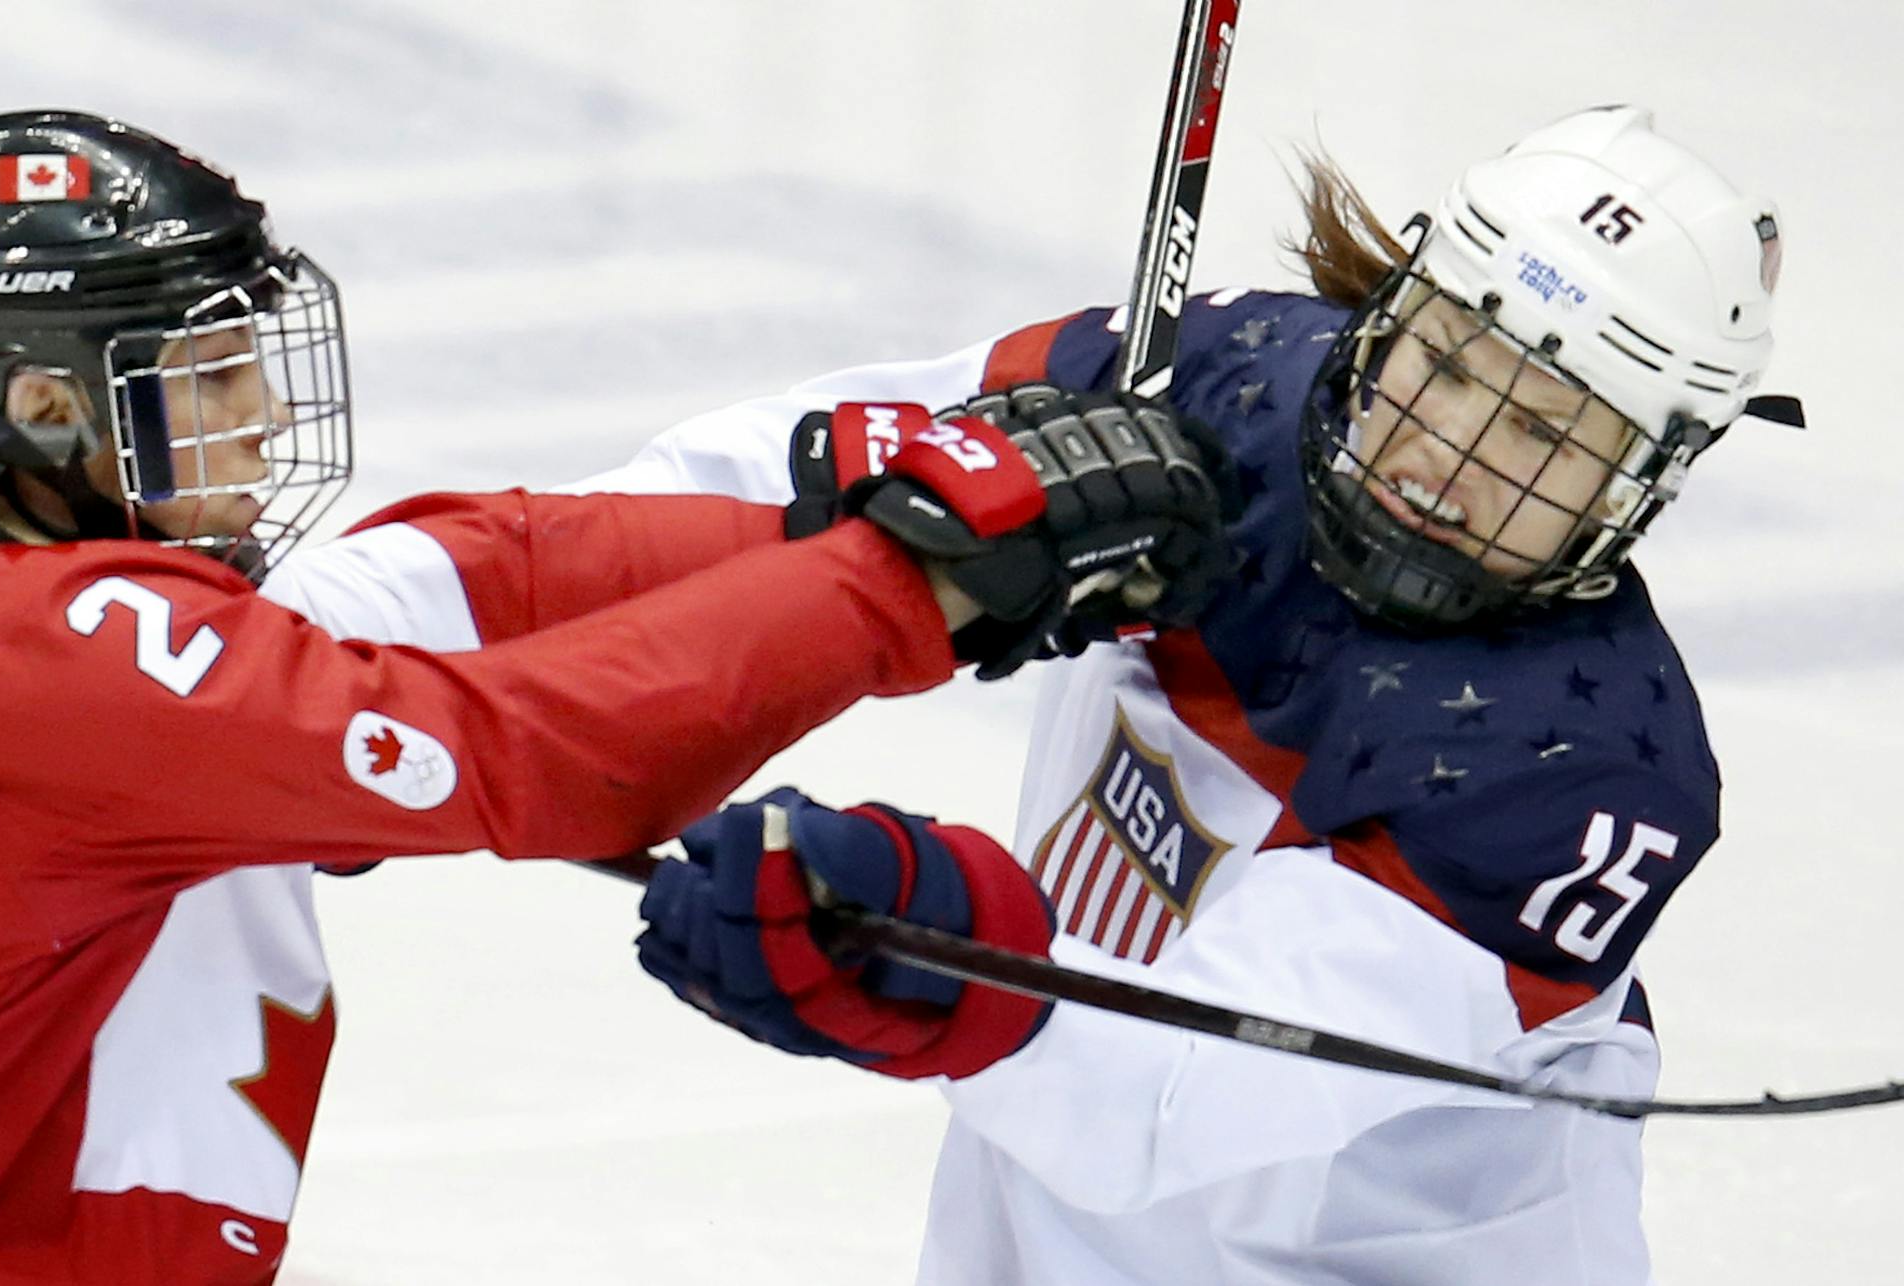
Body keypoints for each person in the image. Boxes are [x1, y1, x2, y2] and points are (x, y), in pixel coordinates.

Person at [0, 110, 1231, 1282]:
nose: (257, 413)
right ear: (46, 403)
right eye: (200, 372)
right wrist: (913, 579)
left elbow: (467, 582)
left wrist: (814, 515)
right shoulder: (46, 668)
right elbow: (530, 757)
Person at [612, 105, 1804, 1283]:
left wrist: (919, 939)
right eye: (1441, 361)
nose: (1447, 447)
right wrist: (482, 611)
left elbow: (1180, 1102)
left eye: (1544, 430)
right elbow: (772, 483)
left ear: (1642, 480)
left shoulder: (1573, 761)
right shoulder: (1217, 392)